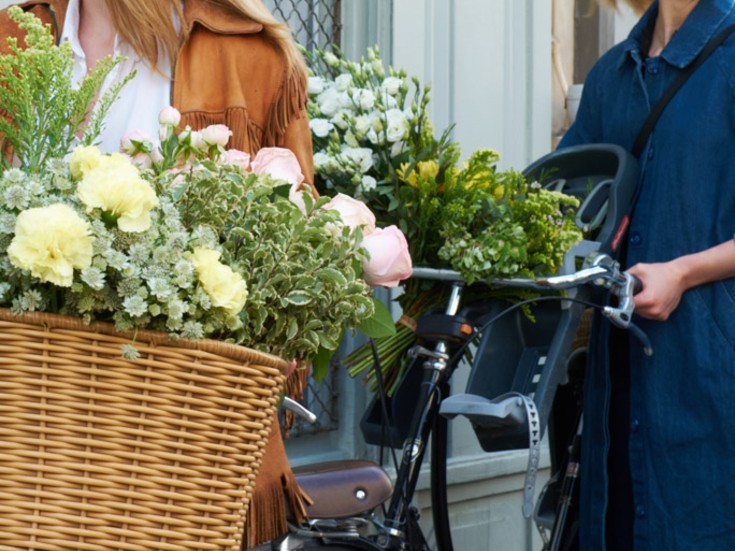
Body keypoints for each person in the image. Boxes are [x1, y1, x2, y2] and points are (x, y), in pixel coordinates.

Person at [0, 0, 313, 547]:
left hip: (174, 461)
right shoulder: (15, 38)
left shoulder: (245, 55)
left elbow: (295, 259)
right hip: (27, 440)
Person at [560, 0, 735, 549]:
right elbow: (567, 201)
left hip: (710, 378)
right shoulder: (611, 75)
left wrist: (682, 272)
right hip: (616, 381)